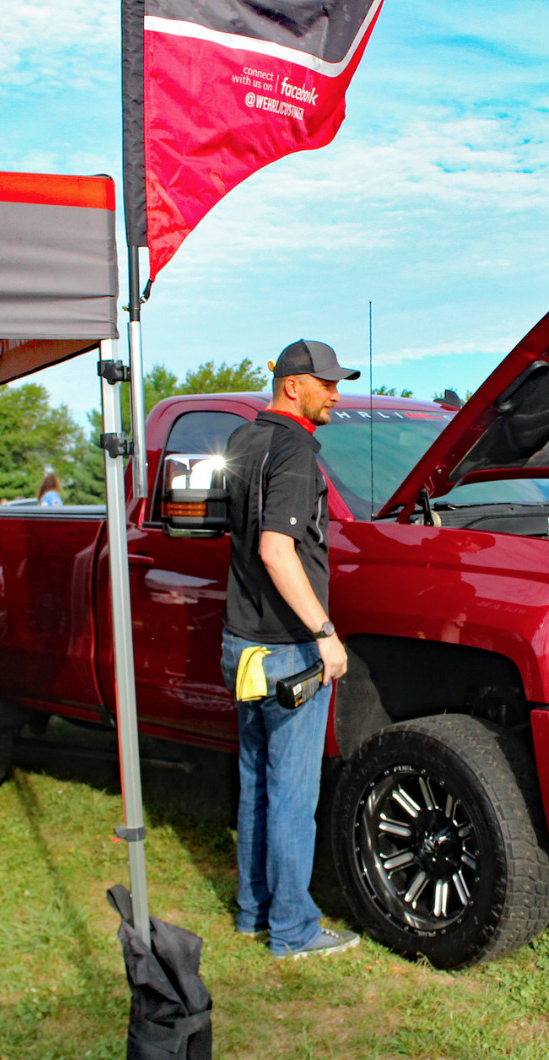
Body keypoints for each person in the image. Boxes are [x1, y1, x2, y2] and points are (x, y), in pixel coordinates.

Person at [219, 339, 361, 960]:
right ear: (291, 386)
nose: (335, 394)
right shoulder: (297, 449)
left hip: (241, 643)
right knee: (293, 795)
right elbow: (278, 550)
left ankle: (255, 913)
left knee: (256, 783)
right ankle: (294, 931)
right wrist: (325, 635)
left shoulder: (244, 440)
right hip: (286, 651)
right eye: (326, 384)